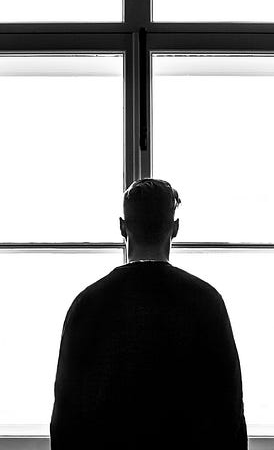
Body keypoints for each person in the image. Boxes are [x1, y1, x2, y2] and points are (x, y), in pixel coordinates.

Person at [49, 179, 247, 449]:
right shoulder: (206, 302)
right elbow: (229, 410)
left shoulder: (88, 304)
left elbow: (65, 416)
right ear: (175, 228)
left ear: (122, 226)